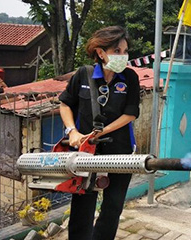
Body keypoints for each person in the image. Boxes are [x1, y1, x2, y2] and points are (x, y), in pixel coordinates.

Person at [58, 26, 140, 240]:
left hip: (120, 152)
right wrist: (72, 131)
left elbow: (131, 113)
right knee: (82, 205)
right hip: (87, 152)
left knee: (113, 206)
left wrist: (103, 130)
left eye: (125, 51)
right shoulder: (83, 75)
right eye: (117, 51)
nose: (123, 56)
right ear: (101, 52)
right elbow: (65, 104)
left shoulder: (129, 77)